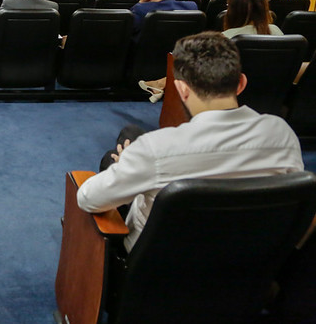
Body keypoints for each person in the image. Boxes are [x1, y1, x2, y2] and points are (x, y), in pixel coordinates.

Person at [77, 31, 304, 252]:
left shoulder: (156, 149)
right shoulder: (282, 134)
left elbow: (88, 199)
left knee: (112, 158)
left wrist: (124, 166)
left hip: (158, 267)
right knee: (132, 133)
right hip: (248, 263)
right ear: (241, 83)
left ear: (181, 89)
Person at [139, 0, 283, 100]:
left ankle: (162, 84)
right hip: (269, 99)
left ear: (233, 10)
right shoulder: (277, 32)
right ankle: (161, 83)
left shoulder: (227, 38)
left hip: (223, 99)